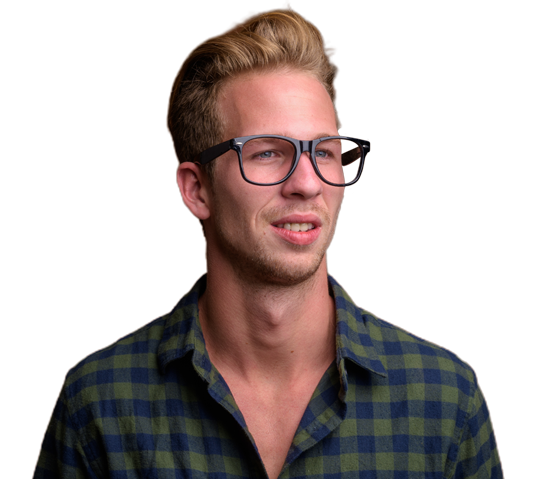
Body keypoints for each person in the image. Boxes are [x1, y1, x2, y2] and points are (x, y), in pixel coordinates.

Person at [34, 10, 503, 479]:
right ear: (197, 189)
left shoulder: (446, 401)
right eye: (267, 152)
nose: (307, 184)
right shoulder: (98, 407)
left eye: (324, 152)